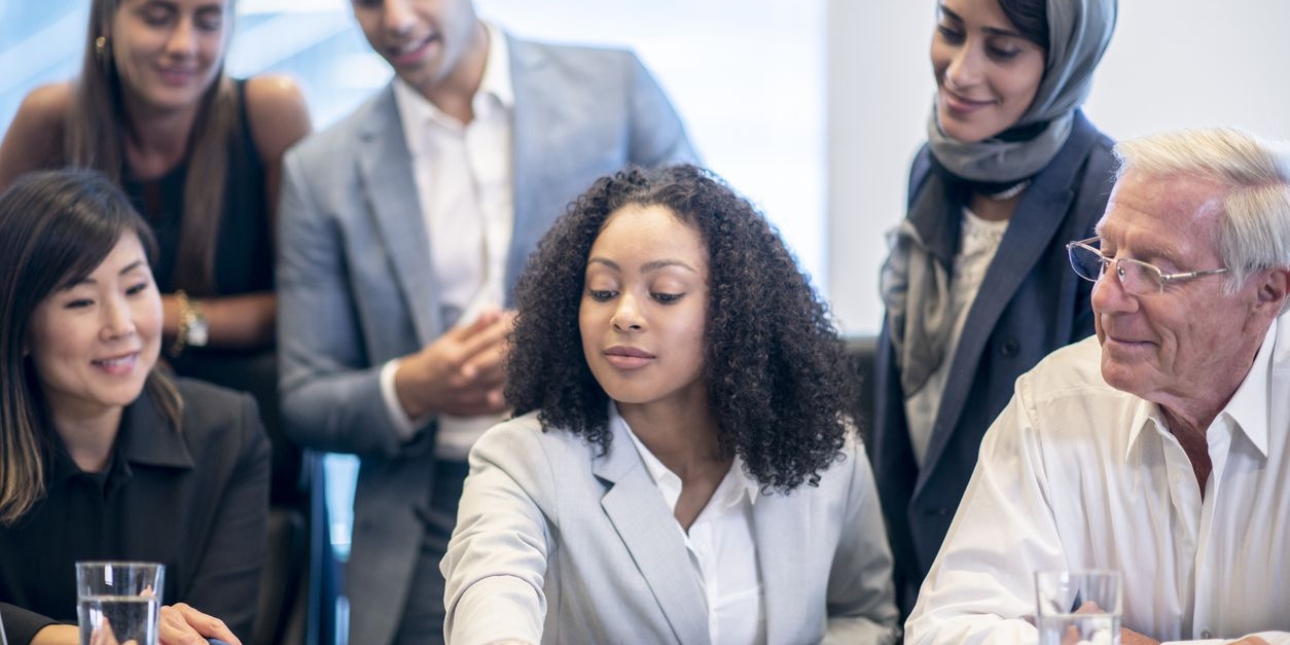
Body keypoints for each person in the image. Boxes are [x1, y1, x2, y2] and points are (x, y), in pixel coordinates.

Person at [275, 1, 696, 642]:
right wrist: (412, 387)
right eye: (365, 1)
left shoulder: (613, 91)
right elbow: (304, 399)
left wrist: (566, 330)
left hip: (628, 473)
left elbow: (711, 269)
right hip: (429, 510)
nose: (395, 20)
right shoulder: (320, 172)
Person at [440, 165, 899, 644]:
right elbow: (490, 595)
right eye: (602, 291)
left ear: (734, 312)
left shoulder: (826, 450)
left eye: (665, 294)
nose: (625, 316)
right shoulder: (522, 461)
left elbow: (863, 615)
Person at [904, 127, 1290, 644]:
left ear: (1266, 292)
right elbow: (943, 629)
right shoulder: (1054, 404)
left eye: (1152, 271)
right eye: (1105, 257)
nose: (1105, 299)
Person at [0, 0, 311, 503]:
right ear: (107, 22)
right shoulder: (49, 118)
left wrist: (159, 320)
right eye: (158, 17)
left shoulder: (271, 110)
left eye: (208, 21)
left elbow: (304, 308)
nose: (184, 45)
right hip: (74, 422)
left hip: (243, 410)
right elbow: (6, 289)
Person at [871, 0, 1118, 612]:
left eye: (1001, 49)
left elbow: (1102, 445)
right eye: (950, 31)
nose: (959, 70)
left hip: (1029, 589)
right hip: (919, 567)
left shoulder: (1107, 199)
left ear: (1063, 62)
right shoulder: (933, 167)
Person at [0, 169, 270, 645]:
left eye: (135, 288)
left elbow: (220, 633)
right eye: (82, 301)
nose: (121, 325)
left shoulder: (227, 431)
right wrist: (53, 639)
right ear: (19, 326)